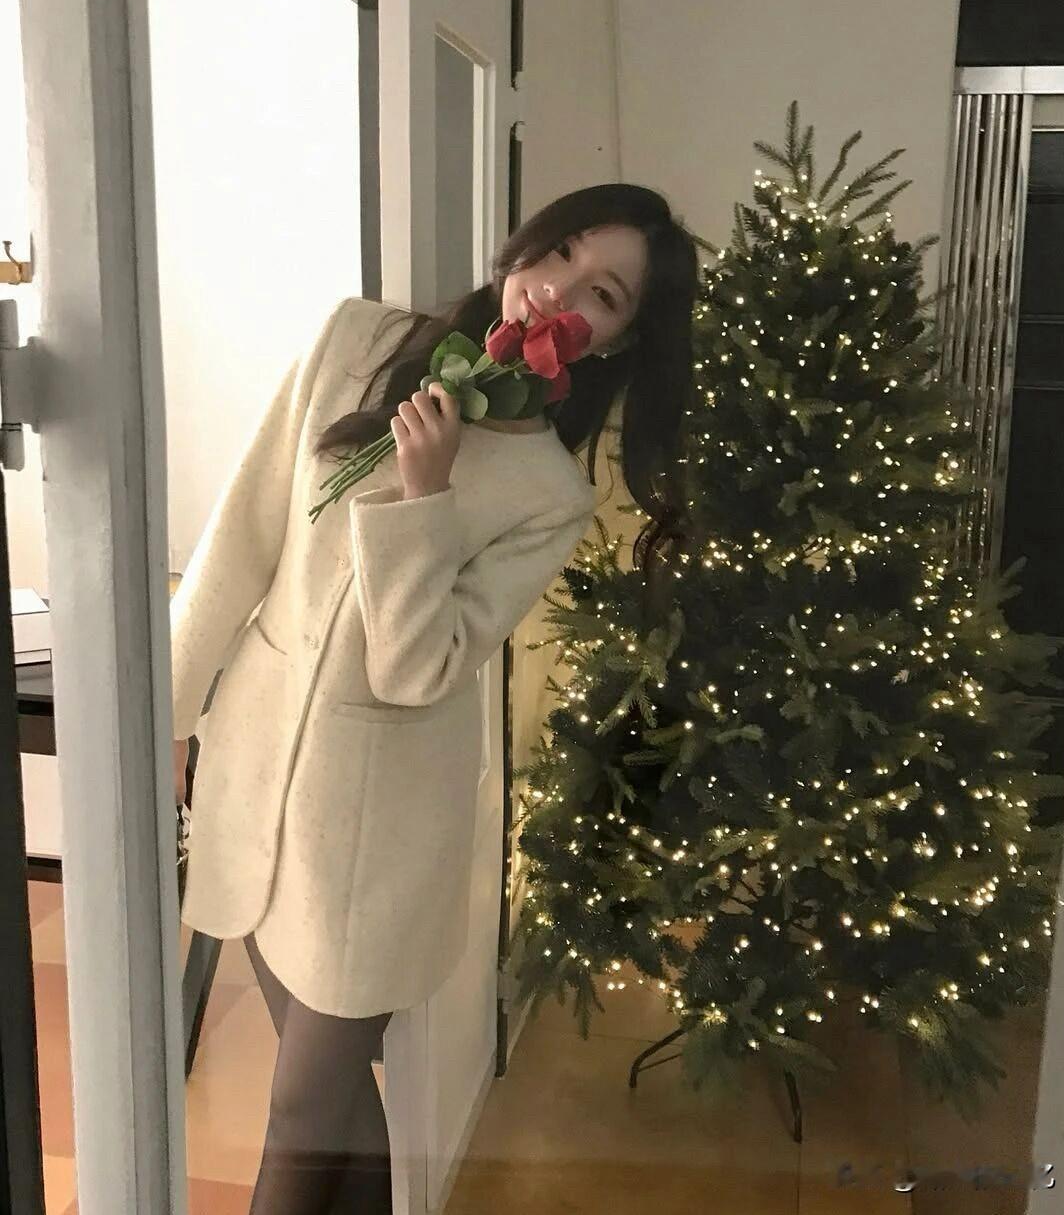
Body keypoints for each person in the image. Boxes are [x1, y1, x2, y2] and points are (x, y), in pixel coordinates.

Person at [169, 183, 699, 1213]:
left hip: (379, 835)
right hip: (255, 768)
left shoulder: (550, 493)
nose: (559, 292)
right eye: (562, 252)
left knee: (300, 1109)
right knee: (332, 1102)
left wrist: (427, 496)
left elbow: (417, 670)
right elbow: (240, 540)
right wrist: (170, 716)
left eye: (603, 294)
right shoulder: (354, 341)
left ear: (619, 340)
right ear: (525, 245)